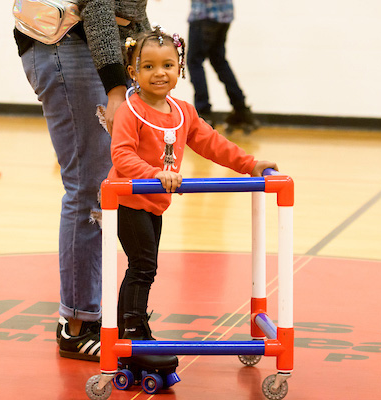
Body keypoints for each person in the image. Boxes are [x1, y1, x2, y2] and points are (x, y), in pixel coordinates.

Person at [109, 26, 277, 350]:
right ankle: (131, 333)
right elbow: (121, 155)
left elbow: (212, 143)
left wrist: (250, 164)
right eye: (148, 67)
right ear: (133, 71)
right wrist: (154, 174)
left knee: (145, 267)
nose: (159, 73)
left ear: (180, 68)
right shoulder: (130, 111)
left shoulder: (183, 111)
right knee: (143, 265)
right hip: (127, 200)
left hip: (155, 203)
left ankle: (132, 327)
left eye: (167, 65)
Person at [13, 0, 150, 361]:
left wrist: (143, 54)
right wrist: (117, 87)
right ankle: (76, 325)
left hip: (82, 47)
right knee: (88, 189)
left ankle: (93, 315)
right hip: (70, 45)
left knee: (100, 187)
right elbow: (99, 5)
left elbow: (131, 10)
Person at [186, 0, 257, 131]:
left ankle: (204, 113)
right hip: (224, 14)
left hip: (204, 14)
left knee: (195, 62)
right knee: (219, 62)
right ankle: (241, 109)